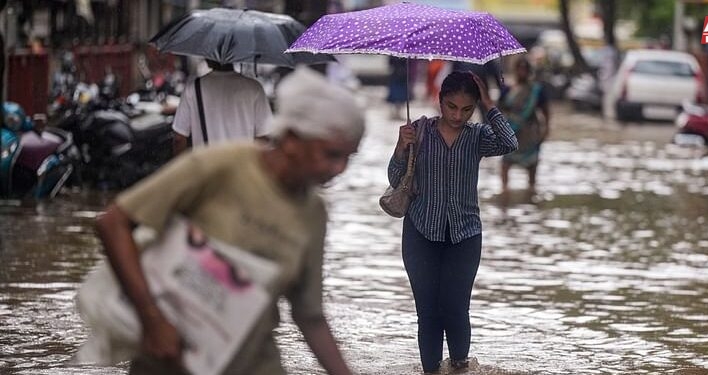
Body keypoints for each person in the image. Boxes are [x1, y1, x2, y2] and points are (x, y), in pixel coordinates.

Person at [94, 66, 364, 375]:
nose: (339, 169)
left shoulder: (314, 212)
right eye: (331, 155)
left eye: (348, 158)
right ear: (290, 140)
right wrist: (151, 319)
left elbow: (310, 315)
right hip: (172, 356)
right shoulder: (218, 166)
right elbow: (113, 223)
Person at [387, 71, 518, 374]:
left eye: (466, 109)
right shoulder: (419, 131)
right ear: (440, 101)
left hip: (465, 234)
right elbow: (395, 180)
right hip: (420, 231)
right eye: (451, 106)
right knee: (428, 313)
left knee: (456, 309)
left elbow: (510, 143)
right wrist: (400, 147)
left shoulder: (478, 137)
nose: (458, 115)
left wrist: (489, 104)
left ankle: (460, 366)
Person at [171, 59, 273, 155]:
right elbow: (264, 138)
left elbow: (179, 139)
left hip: (205, 169)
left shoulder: (193, 88)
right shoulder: (254, 88)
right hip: (242, 167)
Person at [498, 57, 550, 196]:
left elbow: (545, 111)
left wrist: (546, 129)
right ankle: (505, 190)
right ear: (515, 71)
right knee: (506, 162)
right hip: (511, 132)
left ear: (529, 71)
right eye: (519, 69)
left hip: (530, 132)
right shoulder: (507, 89)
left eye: (524, 69)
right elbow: (499, 108)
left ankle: (531, 190)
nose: (522, 72)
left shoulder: (536, 91)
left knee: (532, 163)